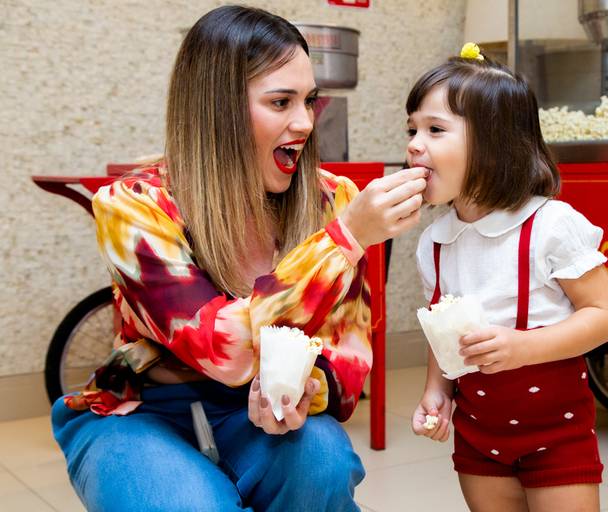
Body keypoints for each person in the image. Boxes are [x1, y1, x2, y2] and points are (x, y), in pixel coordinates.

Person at [51, 6, 427, 512]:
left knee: (323, 463)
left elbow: (349, 358)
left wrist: (301, 388)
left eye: (309, 100)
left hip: (255, 410)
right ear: (217, 108)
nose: (305, 122)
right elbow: (223, 351)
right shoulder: (132, 205)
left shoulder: (331, 199)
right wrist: (346, 238)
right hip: (142, 407)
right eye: (280, 101)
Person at [408, 44, 608, 512]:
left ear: (494, 142)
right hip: (478, 435)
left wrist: (523, 347)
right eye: (413, 129)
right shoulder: (436, 243)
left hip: (557, 433)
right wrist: (437, 391)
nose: (414, 145)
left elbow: (604, 316)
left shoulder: (551, 225)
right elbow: (440, 333)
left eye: (435, 130)